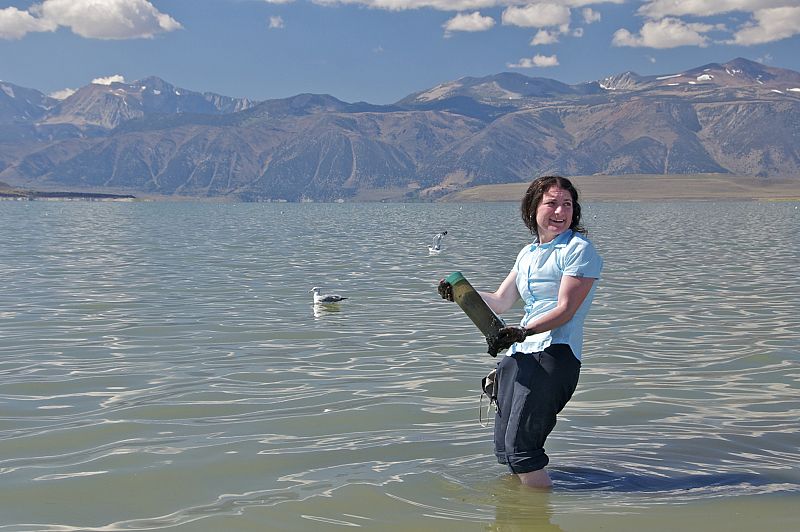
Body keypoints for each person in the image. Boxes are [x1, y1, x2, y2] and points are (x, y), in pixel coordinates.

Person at [438, 175, 603, 489]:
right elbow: (500, 302)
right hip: (520, 354)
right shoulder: (527, 253)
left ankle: (541, 514)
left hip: (554, 353)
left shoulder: (579, 250)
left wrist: (524, 330)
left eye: (567, 204)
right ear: (532, 208)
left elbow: (566, 309)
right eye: (551, 203)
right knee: (505, 450)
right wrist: (460, 294)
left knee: (522, 450)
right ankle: (517, 515)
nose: (560, 211)